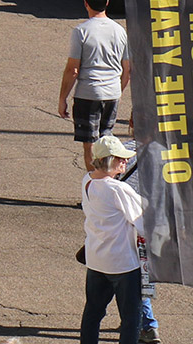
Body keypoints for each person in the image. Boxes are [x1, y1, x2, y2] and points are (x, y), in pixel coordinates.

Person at [80, 135, 146, 344]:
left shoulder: (87, 180)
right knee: (131, 318)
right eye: (120, 158)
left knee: (93, 312)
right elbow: (143, 221)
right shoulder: (118, 189)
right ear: (108, 160)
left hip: (96, 259)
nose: (125, 161)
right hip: (123, 263)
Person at [60, 0, 131, 171]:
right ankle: (109, 179)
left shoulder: (81, 31)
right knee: (106, 142)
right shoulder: (120, 31)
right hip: (112, 93)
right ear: (107, 3)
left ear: (86, 3)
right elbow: (127, 69)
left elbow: (73, 69)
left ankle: (95, 184)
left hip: (88, 94)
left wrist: (62, 98)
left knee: (90, 145)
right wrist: (118, 91)